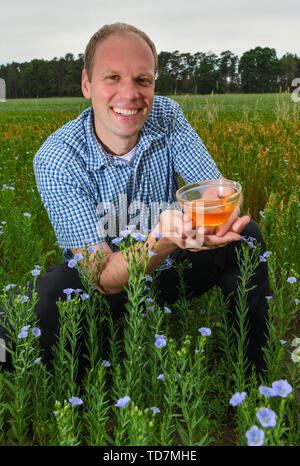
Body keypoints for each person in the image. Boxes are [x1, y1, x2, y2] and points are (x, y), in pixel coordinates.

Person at [0, 23, 269, 376]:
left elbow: (212, 190)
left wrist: (216, 218)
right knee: (27, 313)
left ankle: (251, 379)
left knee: (247, 238)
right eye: (113, 77)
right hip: (105, 286)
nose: (130, 94)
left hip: (173, 264)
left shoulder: (167, 115)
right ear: (86, 84)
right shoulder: (57, 157)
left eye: (143, 80)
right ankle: (79, 383)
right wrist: (161, 240)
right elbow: (101, 275)